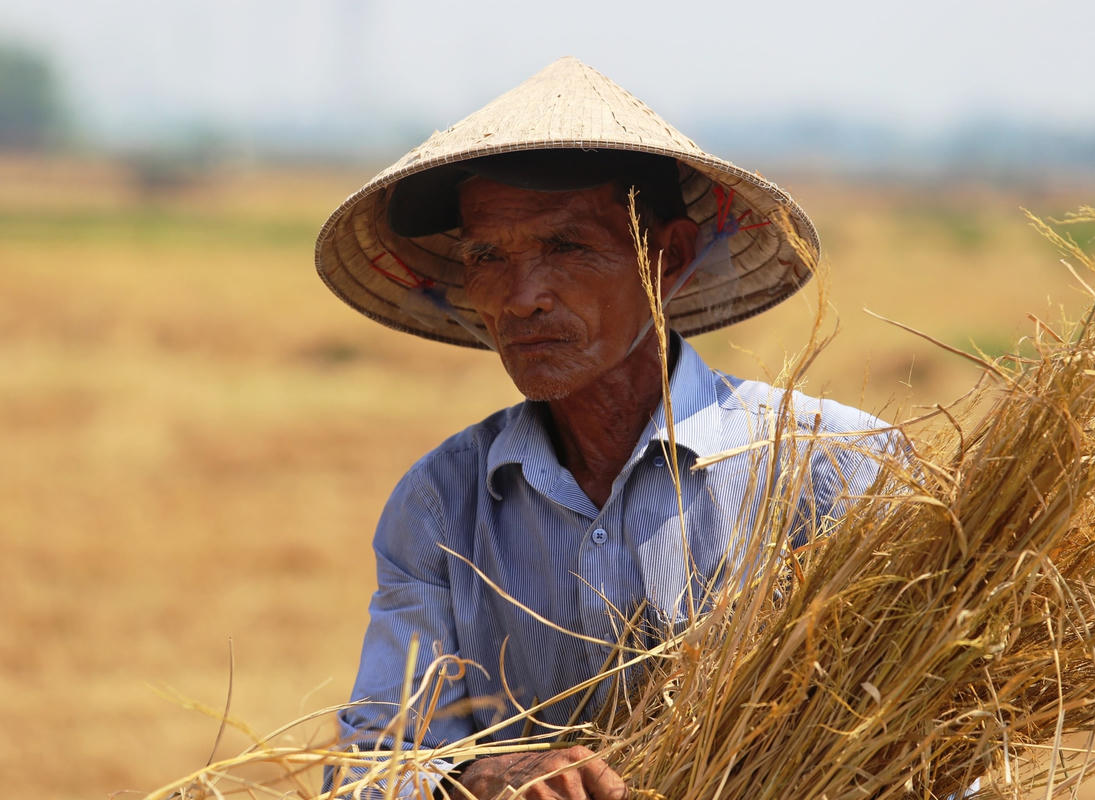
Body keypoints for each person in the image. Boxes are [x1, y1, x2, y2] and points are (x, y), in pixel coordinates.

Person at [314, 57, 893, 800]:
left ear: (669, 257)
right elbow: (366, 769)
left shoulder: (834, 471)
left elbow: (936, 751)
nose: (522, 299)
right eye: (487, 256)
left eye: (566, 247)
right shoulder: (441, 507)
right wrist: (473, 778)